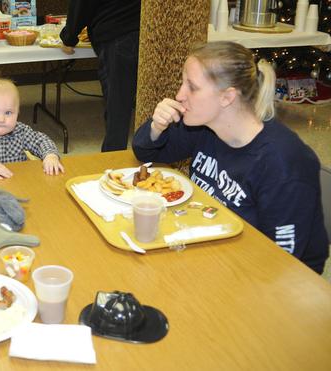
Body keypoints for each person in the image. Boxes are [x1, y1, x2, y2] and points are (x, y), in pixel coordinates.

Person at [132, 41, 329, 273]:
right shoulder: (205, 127)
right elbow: (147, 153)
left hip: (270, 280)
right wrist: (156, 126)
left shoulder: (282, 163)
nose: (179, 95)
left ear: (227, 97)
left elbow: (281, 261)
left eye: (192, 87)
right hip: (213, 247)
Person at [60, 0, 141, 152]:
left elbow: (81, 5)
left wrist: (69, 37)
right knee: (146, 102)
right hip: (145, 29)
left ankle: (112, 162)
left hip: (116, 32)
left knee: (117, 108)